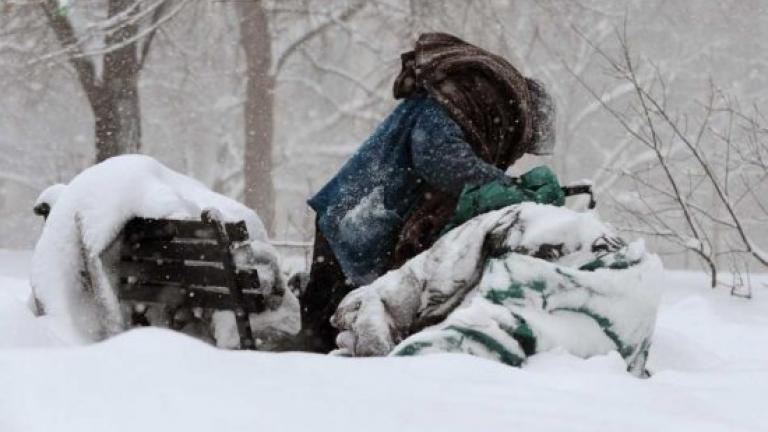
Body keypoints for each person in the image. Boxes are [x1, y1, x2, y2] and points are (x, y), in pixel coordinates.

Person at [299, 32, 556, 353]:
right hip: (356, 222)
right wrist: (506, 188)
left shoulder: (456, 104)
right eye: (519, 148)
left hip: (356, 218)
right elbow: (439, 159)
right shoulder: (450, 105)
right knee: (323, 339)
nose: (512, 157)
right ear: (515, 121)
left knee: (326, 334)